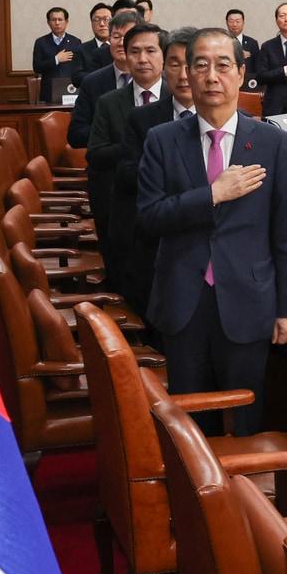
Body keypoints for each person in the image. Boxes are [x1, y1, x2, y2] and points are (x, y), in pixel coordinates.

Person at [137, 28, 287, 436]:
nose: (212, 76)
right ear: (187, 75)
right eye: (201, 65)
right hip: (183, 299)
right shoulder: (161, 140)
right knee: (190, 423)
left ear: (241, 73)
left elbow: (286, 230)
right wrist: (211, 195)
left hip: (249, 299)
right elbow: (149, 217)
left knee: (245, 415)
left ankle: (242, 498)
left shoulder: (270, 142)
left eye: (223, 65)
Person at [117, 25, 199, 340]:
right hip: (156, 253)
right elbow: (125, 176)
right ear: (165, 66)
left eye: (192, 64)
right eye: (175, 63)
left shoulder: (229, 124)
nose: (183, 74)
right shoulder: (144, 119)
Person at [86, 23, 167, 293]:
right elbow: (95, 154)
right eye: (135, 52)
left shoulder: (177, 98)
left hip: (167, 211)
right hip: (122, 205)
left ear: (163, 56)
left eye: (150, 51)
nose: (142, 59)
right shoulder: (109, 102)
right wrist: (141, 148)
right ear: (124, 55)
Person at [67, 9, 142, 149]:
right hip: (108, 164)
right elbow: (75, 135)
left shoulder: (157, 81)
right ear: (109, 40)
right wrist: (113, 135)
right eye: (116, 36)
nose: (121, 43)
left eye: (127, 37)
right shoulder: (92, 83)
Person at [32, 6, 82, 103]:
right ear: (48, 22)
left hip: (70, 90)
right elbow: (37, 67)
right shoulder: (41, 42)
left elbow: (79, 67)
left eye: (60, 19)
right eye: (54, 20)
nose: (57, 23)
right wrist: (56, 59)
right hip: (48, 92)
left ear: (66, 22)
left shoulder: (75, 41)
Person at [74, 2, 114, 84]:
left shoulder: (120, 48)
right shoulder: (81, 49)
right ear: (91, 23)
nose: (102, 24)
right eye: (97, 20)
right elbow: (76, 78)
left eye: (106, 19)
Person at [225, 8, 259, 80]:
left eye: (238, 21)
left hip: (247, 82)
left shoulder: (252, 43)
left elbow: (257, 66)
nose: (234, 24)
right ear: (226, 23)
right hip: (226, 80)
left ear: (243, 23)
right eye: (231, 21)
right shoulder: (221, 42)